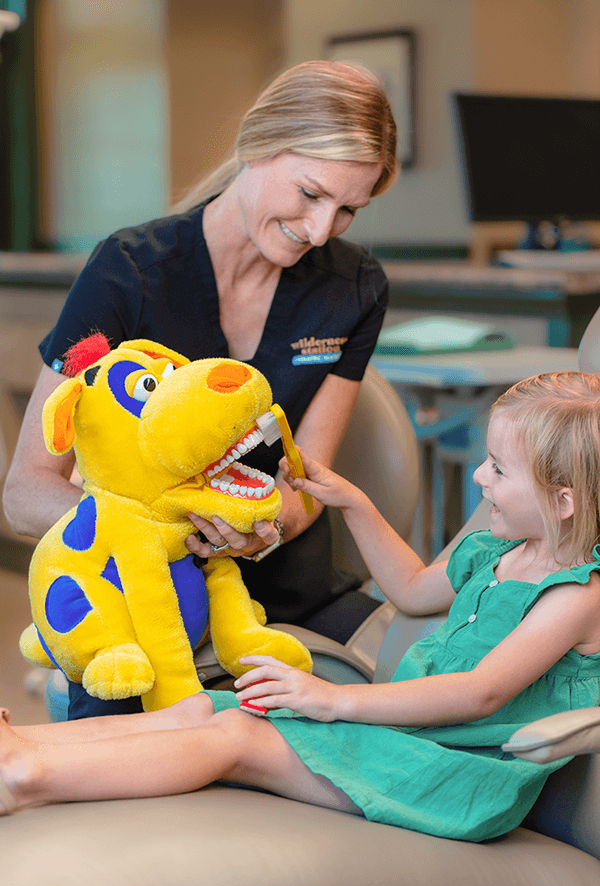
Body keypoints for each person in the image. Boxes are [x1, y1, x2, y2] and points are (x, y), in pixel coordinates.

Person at [2, 370, 600, 841]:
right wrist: (356, 504)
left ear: (564, 500)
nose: (479, 476)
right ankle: (24, 746)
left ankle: (26, 779)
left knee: (238, 734)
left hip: (456, 777)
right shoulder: (496, 548)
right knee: (204, 708)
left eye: (497, 468)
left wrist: (332, 699)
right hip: (409, 739)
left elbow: (482, 694)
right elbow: (415, 588)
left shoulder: (576, 594)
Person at [2, 61, 398, 718]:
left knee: (419, 720)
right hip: (143, 611)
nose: (321, 229)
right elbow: (24, 491)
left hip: (291, 599)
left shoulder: (354, 287)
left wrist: (261, 530)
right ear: (256, 145)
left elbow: (308, 481)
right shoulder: (127, 273)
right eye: (309, 193)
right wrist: (155, 530)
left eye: (348, 208)